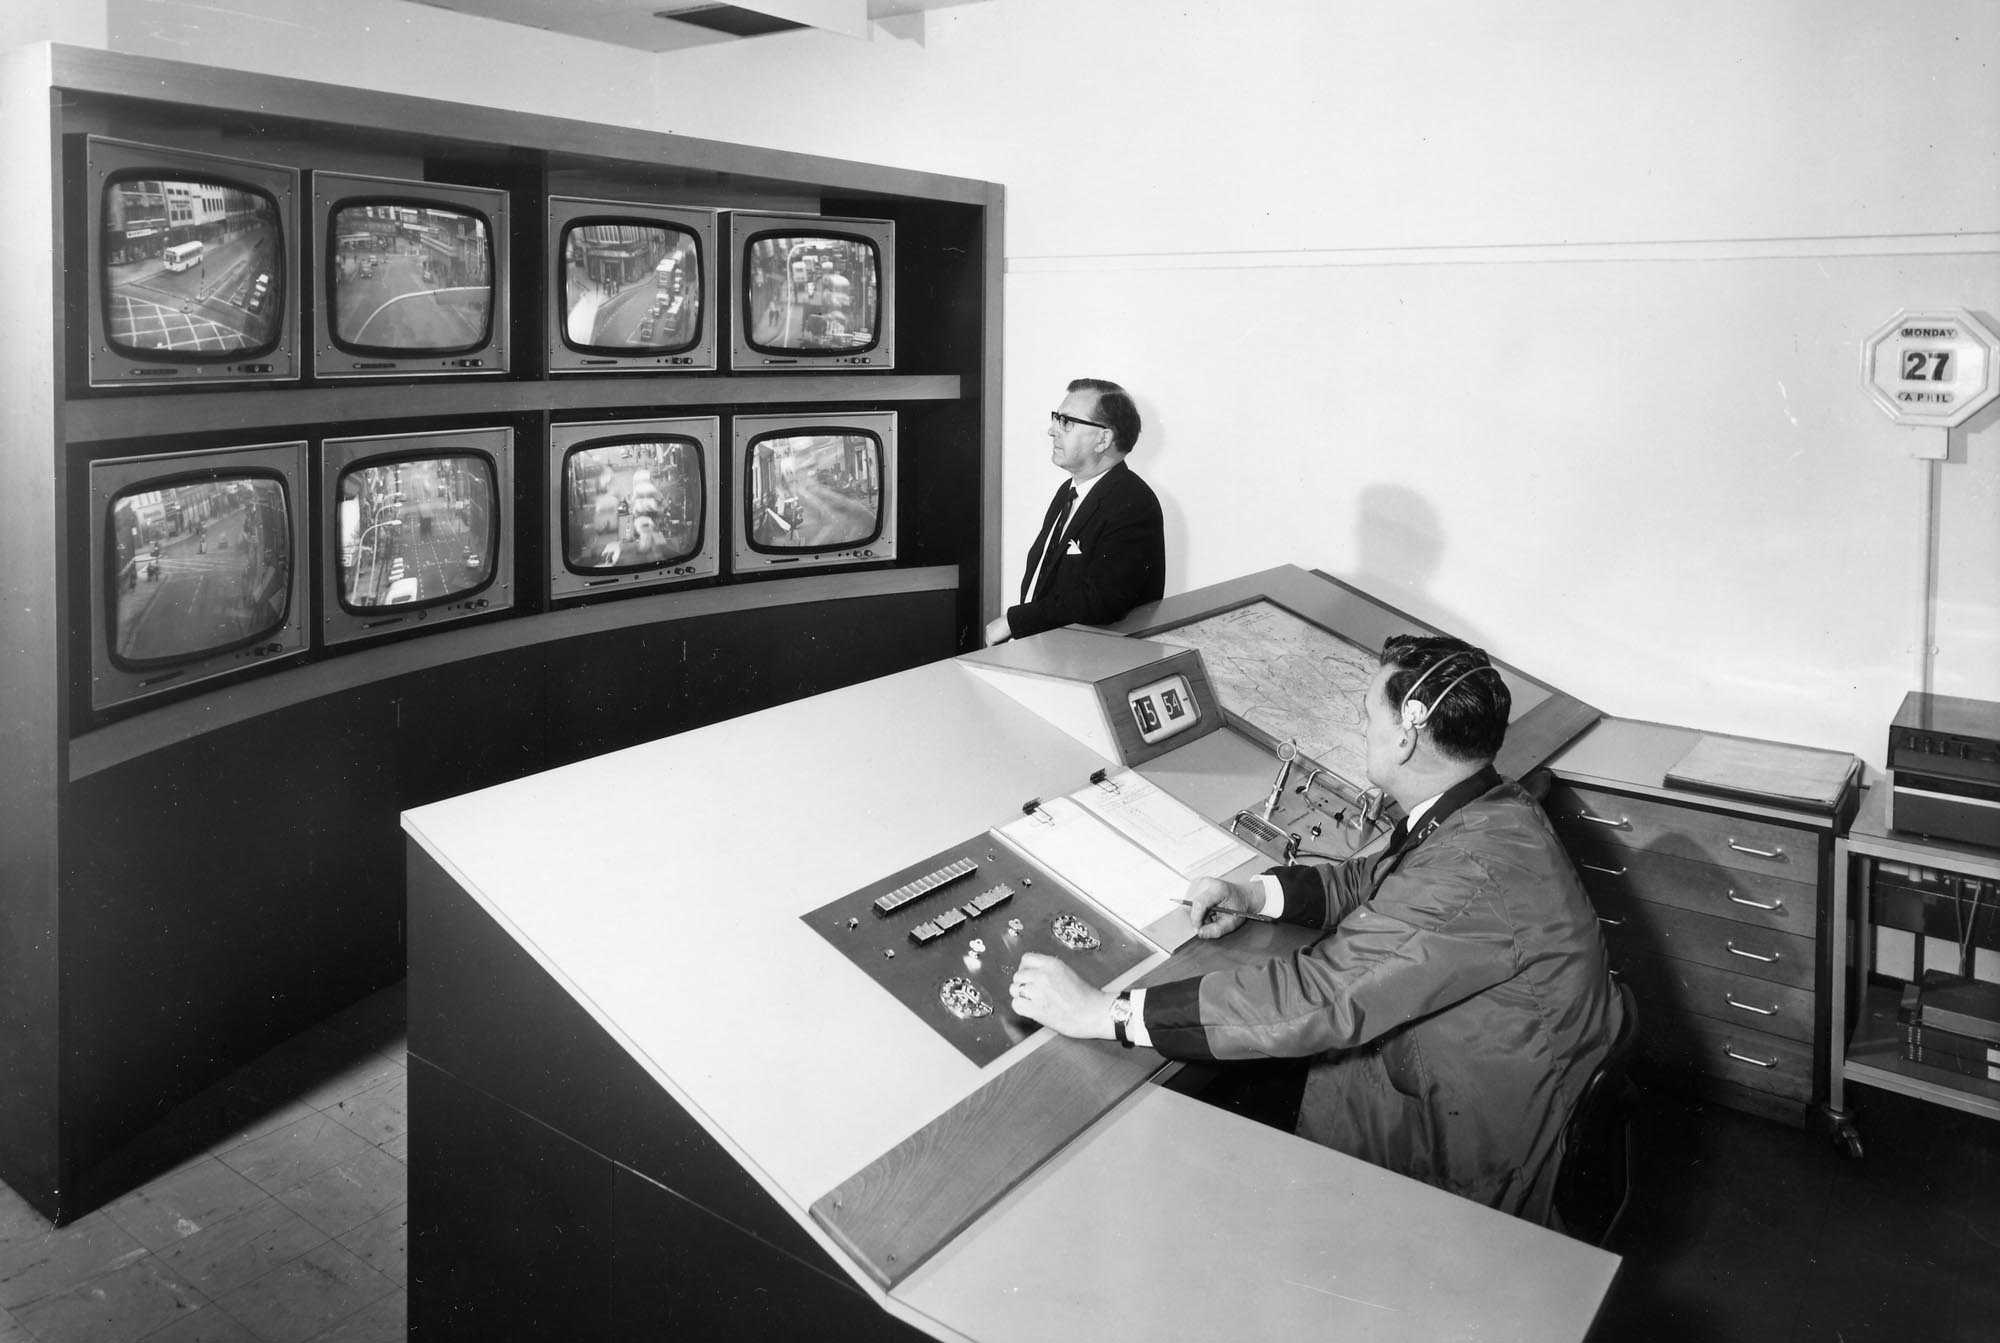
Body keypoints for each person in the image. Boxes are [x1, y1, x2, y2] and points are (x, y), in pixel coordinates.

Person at [1008, 634, 1622, 1222]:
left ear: (1407, 739)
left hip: (1476, 1152)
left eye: (1368, 715)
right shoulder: (1489, 806)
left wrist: (1106, 1014)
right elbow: (1379, 881)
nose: (1360, 727)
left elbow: (1318, 999)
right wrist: (1255, 894)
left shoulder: (1469, 869)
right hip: (1505, 1082)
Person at [983, 378, 1164, 645]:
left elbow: (1102, 600)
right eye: (1056, 419)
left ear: (1103, 438)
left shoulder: (1133, 503)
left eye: (1066, 422)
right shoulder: (1069, 492)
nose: (1051, 430)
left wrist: (1014, 621)